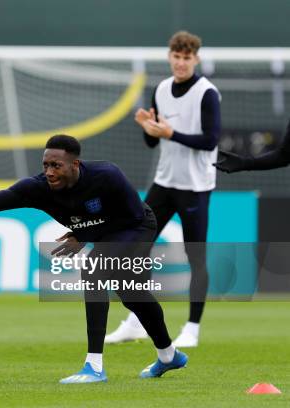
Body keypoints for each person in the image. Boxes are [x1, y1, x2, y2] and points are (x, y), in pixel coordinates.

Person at [0, 134, 188, 383]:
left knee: (95, 270)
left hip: (135, 226)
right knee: (131, 296)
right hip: (108, 232)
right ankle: (168, 355)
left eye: (56, 165)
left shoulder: (107, 176)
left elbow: (132, 216)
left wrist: (84, 235)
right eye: (46, 165)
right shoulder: (37, 189)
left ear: (75, 165)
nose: (49, 172)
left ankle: (94, 366)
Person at [106, 31, 221, 348]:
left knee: (195, 256)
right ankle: (135, 321)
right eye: (177, 56)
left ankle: (192, 329)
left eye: (187, 57)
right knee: (134, 250)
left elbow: (210, 141)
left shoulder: (206, 93)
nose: (181, 63)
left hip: (195, 187)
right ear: (169, 57)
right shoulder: (161, 89)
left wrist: (170, 132)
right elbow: (153, 140)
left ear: (195, 59)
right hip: (164, 183)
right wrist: (149, 128)